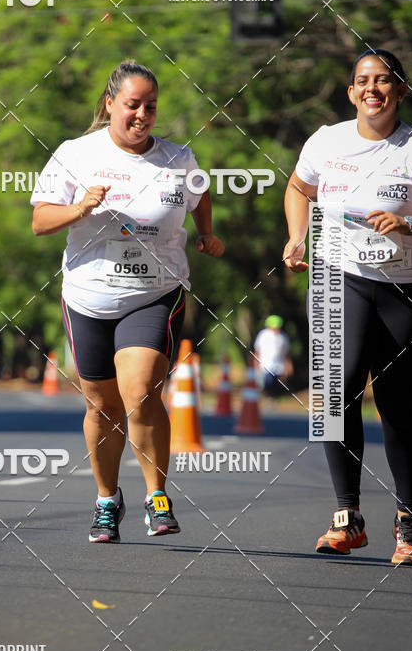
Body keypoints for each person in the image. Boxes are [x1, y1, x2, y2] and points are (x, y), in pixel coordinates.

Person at [31, 59, 224, 543]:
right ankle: (105, 499)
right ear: (110, 104)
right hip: (89, 296)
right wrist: (79, 208)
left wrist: (206, 234)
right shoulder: (75, 154)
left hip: (155, 291)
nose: (142, 115)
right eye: (132, 105)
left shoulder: (177, 158)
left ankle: (156, 496)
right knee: (102, 405)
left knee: (140, 391)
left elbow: (199, 194)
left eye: (151, 107)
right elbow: (39, 221)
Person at [283, 48, 412, 564]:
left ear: (400, 91)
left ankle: (409, 521)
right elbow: (299, 188)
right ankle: (347, 516)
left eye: (384, 81)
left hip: (403, 286)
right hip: (341, 277)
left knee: (400, 406)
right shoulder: (327, 141)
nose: (372, 89)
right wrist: (298, 237)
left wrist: (410, 226)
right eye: (363, 81)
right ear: (350, 91)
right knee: (333, 395)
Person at [253, 315, 293, 397]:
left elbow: (287, 354)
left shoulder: (283, 337)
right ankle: (268, 398)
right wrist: (256, 364)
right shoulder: (263, 335)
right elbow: (257, 351)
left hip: (279, 366)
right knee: (268, 382)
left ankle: (273, 399)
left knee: (276, 385)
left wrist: (288, 365)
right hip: (265, 365)